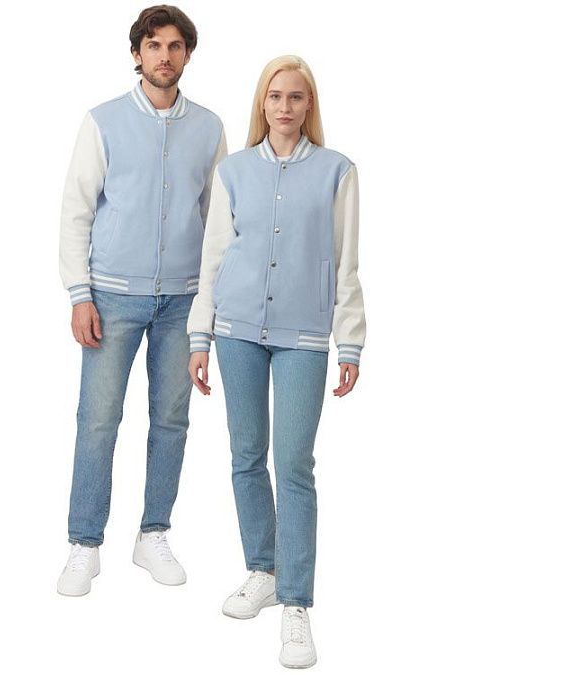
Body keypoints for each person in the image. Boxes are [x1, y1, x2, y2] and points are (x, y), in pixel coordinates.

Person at [186, 55, 365, 668]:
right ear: (261, 104)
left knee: (293, 465)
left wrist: (350, 339)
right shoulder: (233, 171)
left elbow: (346, 260)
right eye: (274, 96)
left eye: (296, 97)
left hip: (304, 336)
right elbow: (213, 257)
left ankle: (296, 602)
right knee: (245, 456)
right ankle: (262, 570)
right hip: (235, 329)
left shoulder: (338, 172)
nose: (284, 107)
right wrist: (199, 336)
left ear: (309, 105)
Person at [56, 5, 227, 597]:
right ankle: (84, 543)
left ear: (187, 54)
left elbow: (218, 222)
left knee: (172, 420)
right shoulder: (102, 122)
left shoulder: (209, 129)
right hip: (112, 298)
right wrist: (80, 294)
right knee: (98, 420)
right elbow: (76, 211)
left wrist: (210, 304)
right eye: (154, 45)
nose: (164, 56)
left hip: (183, 301)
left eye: (175, 46)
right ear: (137, 53)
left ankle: (153, 533)